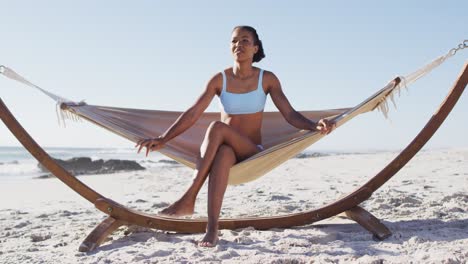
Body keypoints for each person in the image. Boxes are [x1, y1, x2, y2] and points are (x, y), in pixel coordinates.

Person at [136, 25, 335, 247]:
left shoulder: (267, 79)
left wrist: (314, 125)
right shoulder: (219, 79)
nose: (238, 45)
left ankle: (189, 197)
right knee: (222, 152)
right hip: (227, 151)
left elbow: (289, 114)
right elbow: (193, 113)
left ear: (255, 48)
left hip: (251, 152)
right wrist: (164, 139)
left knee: (217, 127)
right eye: (234, 41)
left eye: (245, 41)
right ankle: (212, 229)